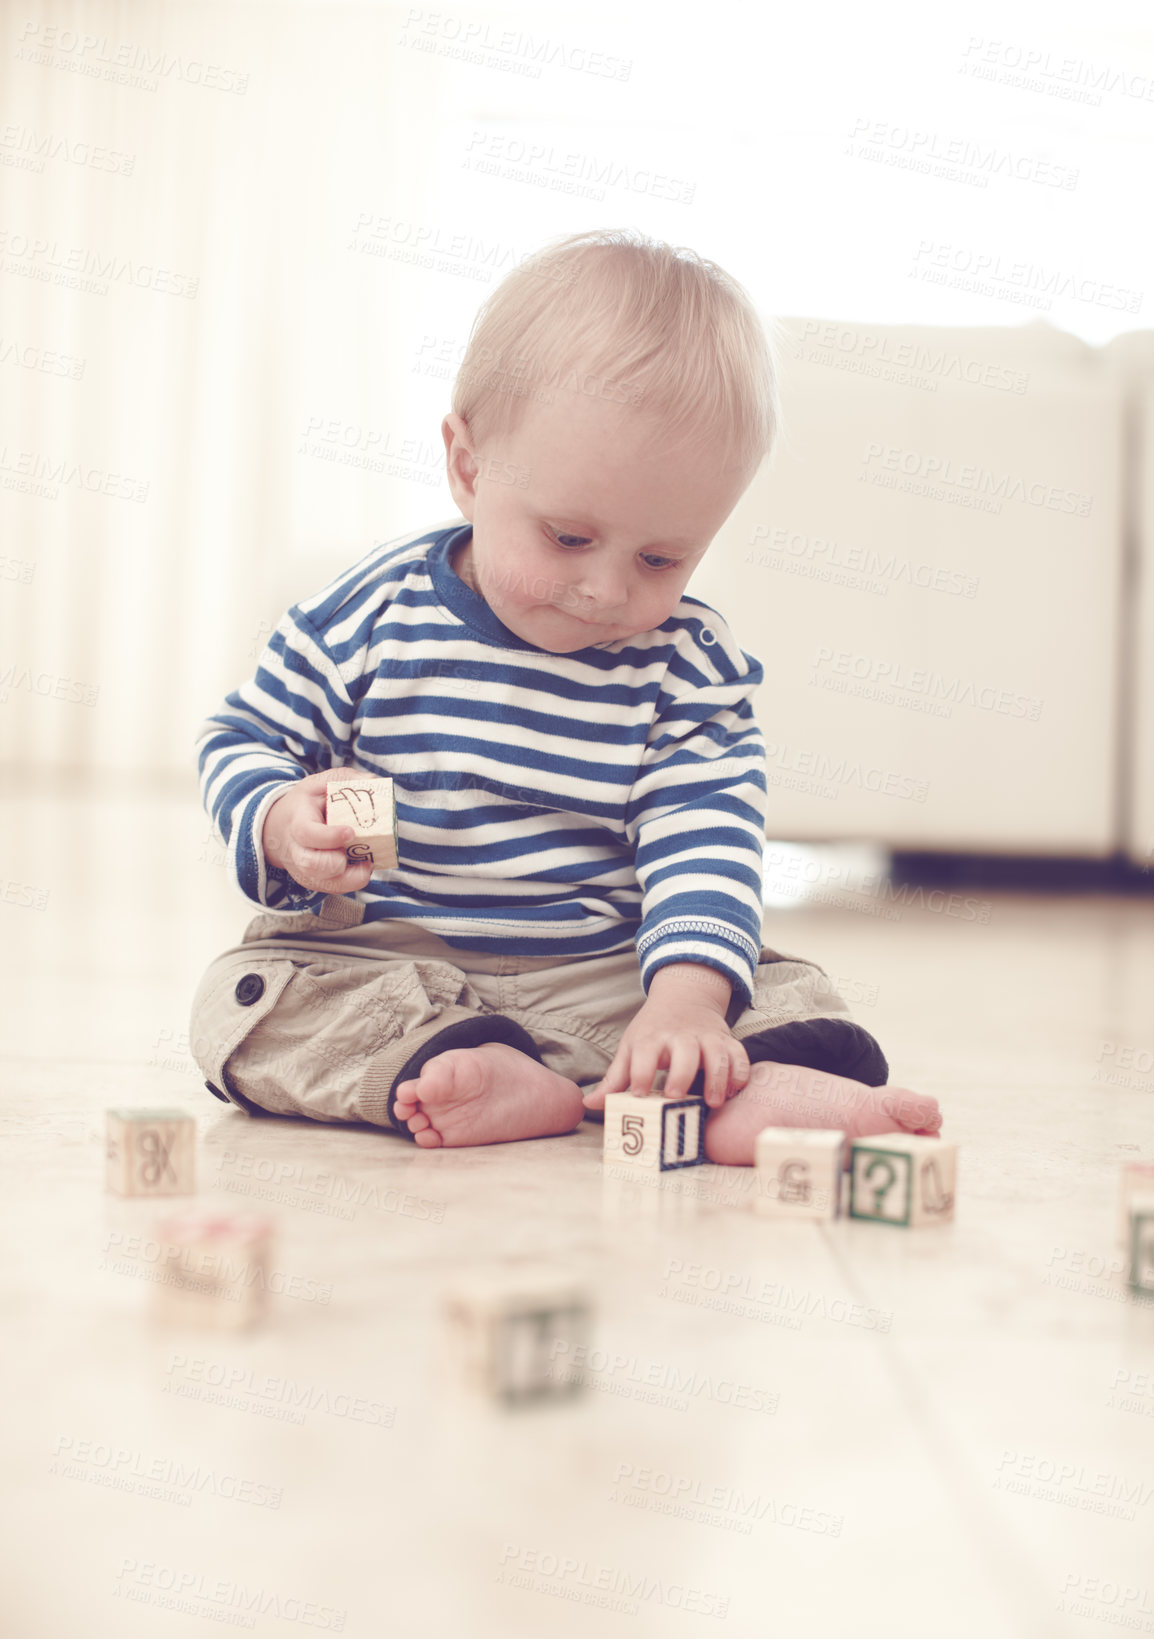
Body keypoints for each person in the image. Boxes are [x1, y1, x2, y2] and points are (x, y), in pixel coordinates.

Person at [190, 228, 941, 1159]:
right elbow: (242, 736)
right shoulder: (365, 617)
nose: (609, 591)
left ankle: (734, 1084)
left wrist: (686, 1001)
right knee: (257, 1007)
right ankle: (490, 1070)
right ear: (468, 468)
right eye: (568, 538)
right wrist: (274, 820)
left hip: (605, 974)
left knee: (776, 989)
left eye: (662, 557)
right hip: (390, 962)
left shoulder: (685, 666)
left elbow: (707, 835)